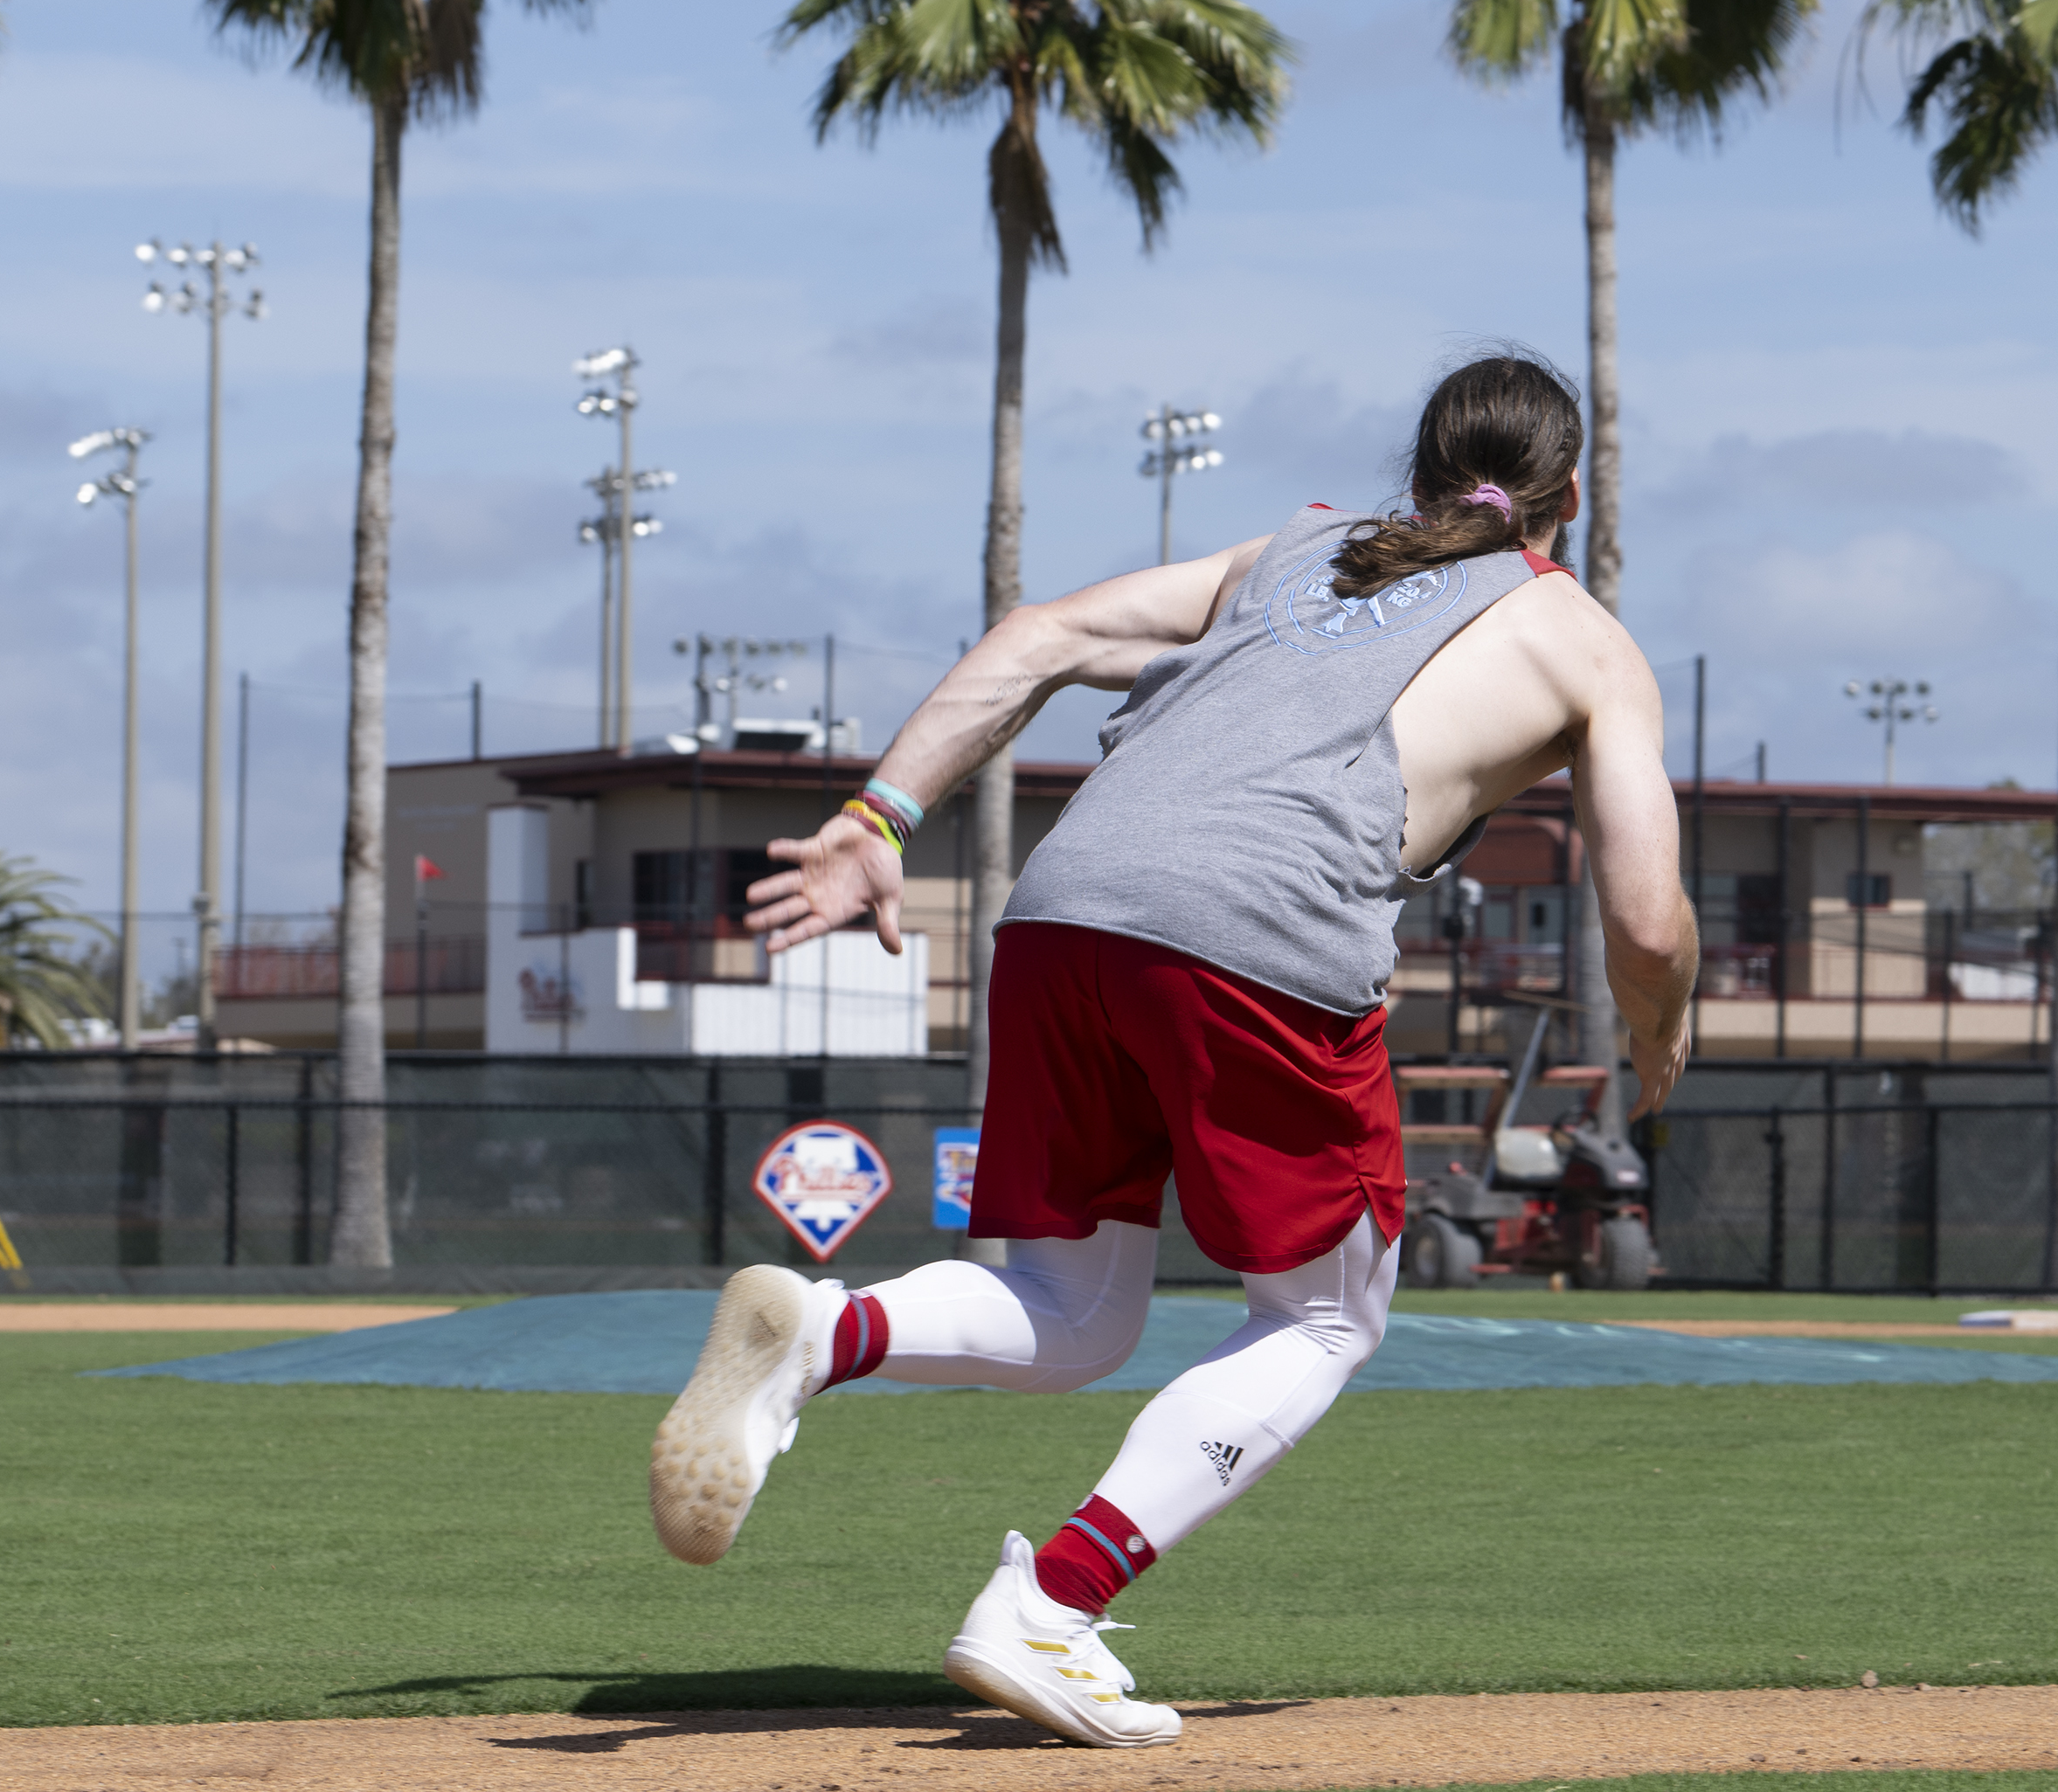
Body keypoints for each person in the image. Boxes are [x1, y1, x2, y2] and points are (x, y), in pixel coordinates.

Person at [644, 353, 1694, 1747]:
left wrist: (878, 820)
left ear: (1427, 467)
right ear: (1569, 499)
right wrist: (1657, 1030)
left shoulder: (1295, 548)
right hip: (1260, 940)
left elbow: (1037, 637)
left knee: (1075, 1313)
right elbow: (1645, 914)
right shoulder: (1585, 640)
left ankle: (830, 1334)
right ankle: (1052, 1610)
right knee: (1322, 1318)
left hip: (1066, 913)